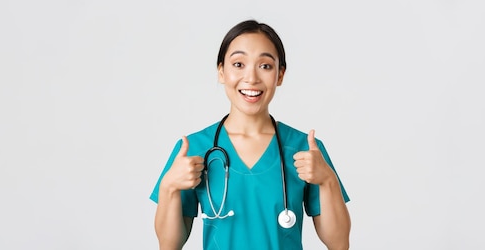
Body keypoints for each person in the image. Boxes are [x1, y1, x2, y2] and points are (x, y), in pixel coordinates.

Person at [149, 19, 351, 250]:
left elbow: (339, 243)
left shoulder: (305, 149)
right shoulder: (194, 148)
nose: (252, 78)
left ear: (280, 75)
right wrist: (169, 187)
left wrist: (328, 180)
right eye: (238, 64)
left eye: (265, 66)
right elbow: (169, 244)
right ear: (221, 72)